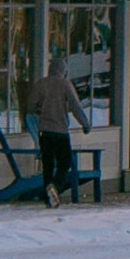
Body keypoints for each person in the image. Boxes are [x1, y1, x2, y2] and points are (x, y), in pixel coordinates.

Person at [29, 56, 91, 208]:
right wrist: (85, 124)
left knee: (48, 164)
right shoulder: (65, 84)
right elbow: (76, 106)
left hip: (44, 131)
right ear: (63, 71)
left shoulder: (40, 84)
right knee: (65, 162)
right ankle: (55, 186)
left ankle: (48, 196)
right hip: (60, 131)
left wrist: (39, 110)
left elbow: (30, 105)